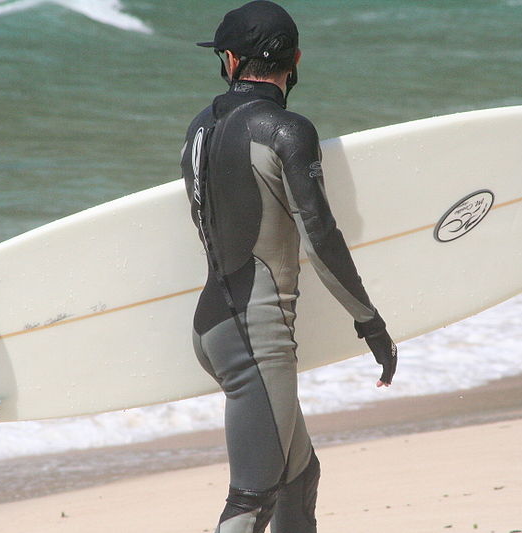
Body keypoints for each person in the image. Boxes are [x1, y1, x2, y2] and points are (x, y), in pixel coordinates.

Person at [180, 2, 397, 532]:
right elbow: (320, 239)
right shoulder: (286, 130)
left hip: (211, 326)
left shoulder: (199, 129)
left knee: (298, 475)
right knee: (252, 497)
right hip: (258, 340)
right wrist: (370, 322)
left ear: (229, 60)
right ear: (296, 59)